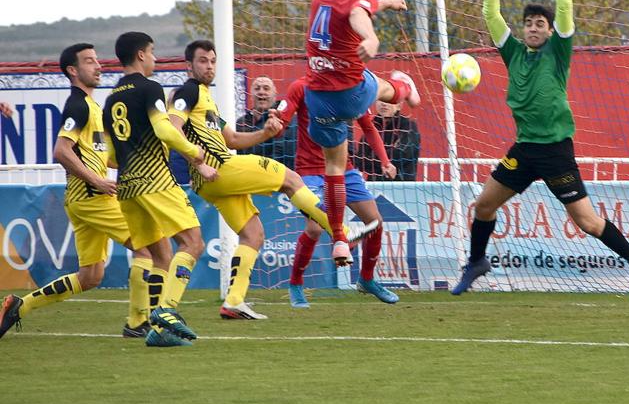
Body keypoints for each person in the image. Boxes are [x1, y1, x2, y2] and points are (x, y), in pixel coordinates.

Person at [451, 0, 629, 302]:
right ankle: (476, 262)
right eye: (529, 23)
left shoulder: (558, 53)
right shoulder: (512, 53)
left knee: (587, 222)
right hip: (525, 150)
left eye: (539, 24)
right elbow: (489, 13)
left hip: (556, 150)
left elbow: (565, 8)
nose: (532, 27)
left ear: (548, 31)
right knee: (483, 205)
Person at [168, 40, 377, 319]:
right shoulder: (188, 91)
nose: (209, 66)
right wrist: (198, 160)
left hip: (212, 181)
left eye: (212, 61)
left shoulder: (206, 99)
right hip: (219, 168)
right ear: (189, 65)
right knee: (290, 178)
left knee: (253, 235)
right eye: (203, 61)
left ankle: (233, 302)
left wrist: (265, 133)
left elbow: (232, 139)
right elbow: (172, 127)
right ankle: (340, 232)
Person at [0, 44, 154, 341]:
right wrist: (97, 180)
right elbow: (61, 150)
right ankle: (137, 322)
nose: (98, 66)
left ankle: (19, 306)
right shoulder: (78, 105)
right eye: (89, 61)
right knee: (147, 247)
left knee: (90, 276)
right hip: (91, 198)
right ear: (73, 70)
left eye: (97, 60)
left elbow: (104, 157)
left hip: (84, 199)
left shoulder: (93, 107)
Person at [303, 0, 421, 267]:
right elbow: (358, 11)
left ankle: (340, 239)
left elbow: (357, 6)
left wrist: (387, 3)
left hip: (318, 97)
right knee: (380, 85)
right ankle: (406, 90)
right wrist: (371, 39)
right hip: (349, 93)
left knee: (334, 168)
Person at [103, 32, 218, 347]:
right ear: (141, 55)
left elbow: (110, 156)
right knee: (193, 242)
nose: (154, 59)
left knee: (160, 256)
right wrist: (194, 152)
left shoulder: (111, 99)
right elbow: (164, 127)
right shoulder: (150, 88)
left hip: (127, 186)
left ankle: (158, 332)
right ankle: (167, 310)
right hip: (155, 180)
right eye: (152, 52)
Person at [273, 78, 399, 307]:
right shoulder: (300, 87)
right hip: (310, 171)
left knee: (376, 222)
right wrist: (276, 125)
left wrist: (385, 160)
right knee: (313, 228)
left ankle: (367, 280)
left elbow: (368, 126)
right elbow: (282, 121)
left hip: (344, 169)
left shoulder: (349, 89)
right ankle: (296, 284)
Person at [237, 76, 297, 170]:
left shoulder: (287, 118)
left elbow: (282, 151)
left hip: (282, 176)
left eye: (266, 88)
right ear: (251, 94)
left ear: (275, 94)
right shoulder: (241, 123)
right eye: (257, 88)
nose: (261, 92)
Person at [354, 100, 421, 181]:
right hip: (375, 185)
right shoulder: (371, 126)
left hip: (402, 186)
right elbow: (361, 162)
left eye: (389, 100)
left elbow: (402, 155)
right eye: (381, 100)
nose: (384, 104)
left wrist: (374, 157)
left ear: (399, 105)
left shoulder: (408, 126)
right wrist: (385, 160)